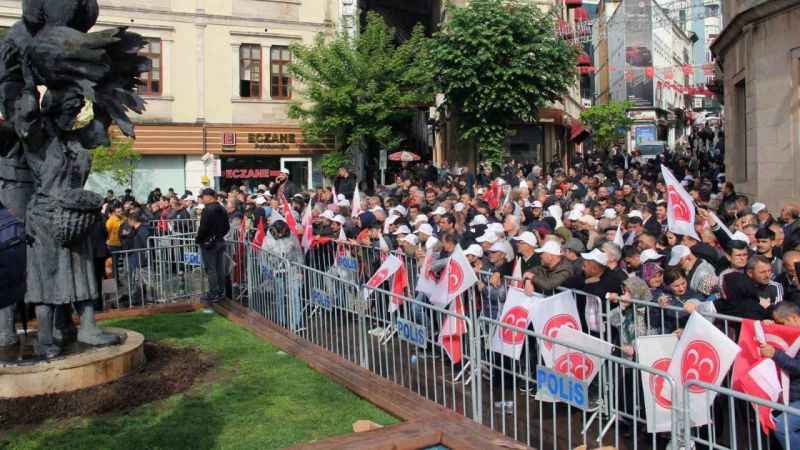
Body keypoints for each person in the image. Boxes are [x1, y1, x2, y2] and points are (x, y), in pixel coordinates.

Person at [759, 301, 800, 449]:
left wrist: (775, 354)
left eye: (781, 323)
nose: (779, 327)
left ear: (794, 318)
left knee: (781, 427)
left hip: (796, 398)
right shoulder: (791, 333)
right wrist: (768, 326)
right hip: (789, 397)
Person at [196, 188, 230, 309]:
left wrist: (200, 239)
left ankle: (213, 293)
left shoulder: (208, 209)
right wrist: (218, 235)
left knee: (211, 269)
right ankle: (221, 292)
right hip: (220, 241)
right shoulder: (222, 208)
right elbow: (227, 227)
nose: (202, 199)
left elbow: (203, 228)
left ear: (209, 197)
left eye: (203, 196)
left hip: (209, 243)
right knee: (219, 268)